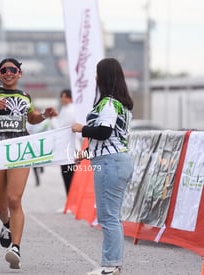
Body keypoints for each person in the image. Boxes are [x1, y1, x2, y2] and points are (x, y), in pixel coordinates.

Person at [0, 54, 57, 269]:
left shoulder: (25, 96)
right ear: (0, 75)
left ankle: (16, 248)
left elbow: (32, 118)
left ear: (19, 73)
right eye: (4, 70)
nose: (8, 73)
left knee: (14, 199)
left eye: (12, 70)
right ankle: (6, 223)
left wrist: (44, 115)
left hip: (20, 149)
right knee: (0, 208)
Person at [71, 58, 134, 275]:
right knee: (112, 216)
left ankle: (111, 265)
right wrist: (87, 153)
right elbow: (112, 138)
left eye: (98, 73)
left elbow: (104, 132)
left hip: (110, 163)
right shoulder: (121, 104)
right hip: (116, 160)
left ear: (105, 76)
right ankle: (112, 263)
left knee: (108, 216)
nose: (95, 77)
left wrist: (82, 128)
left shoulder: (108, 103)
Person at [51, 89, 80, 203]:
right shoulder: (65, 109)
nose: (63, 98)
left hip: (70, 148)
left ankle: (72, 202)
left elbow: (59, 127)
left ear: (71, 98)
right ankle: (71, 202)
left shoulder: (70, 110)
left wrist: (52, 118)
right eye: (62, 96)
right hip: (66, 147)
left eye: (65, 96)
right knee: (68, 176)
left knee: (69, 176)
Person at [26, 106, 51, 186]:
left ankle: (42, 166)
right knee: (33, 162)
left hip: (41, 143)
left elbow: (47, 130)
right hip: (32, 143)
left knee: (40, 158)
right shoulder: (29, 122)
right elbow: (28, 130)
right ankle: (37, 179)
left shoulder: (44, 122)